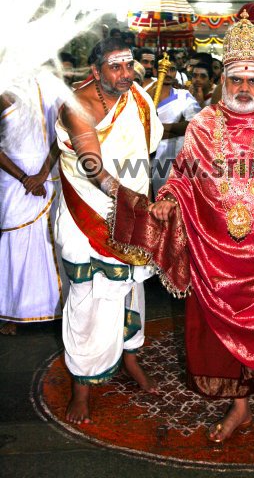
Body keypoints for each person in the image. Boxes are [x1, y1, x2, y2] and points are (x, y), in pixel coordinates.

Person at [108, 12, 254, 443]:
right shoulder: (203, 125)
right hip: (217, 252)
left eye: (253, 81)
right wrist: (169, 198)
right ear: (224, 79)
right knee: (224, 336)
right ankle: (239, 406)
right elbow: (182, 176)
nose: (244, 88)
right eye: (236, 79)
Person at [55, 37, 163, 424]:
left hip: (132, 209)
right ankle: (81, 385)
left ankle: (129, 357)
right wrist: (126, 197)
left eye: (129, 65)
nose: (125, 74)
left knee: (130, 286)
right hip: (88, 212)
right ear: (95, 70)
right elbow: (91, 165)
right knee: (87, 297)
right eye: (115, 67)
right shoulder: (77, 104)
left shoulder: (137, 99)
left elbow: (148, 146)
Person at [0, 78, 67, 335]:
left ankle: (59, 308)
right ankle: (16, 313)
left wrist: (41, 175)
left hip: (49, 173)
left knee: (52, 240)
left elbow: (63, 134)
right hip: (14, 179)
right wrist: (24, 178)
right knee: (16, 239)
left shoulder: (52, 90)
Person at [152, 61, 201, 196]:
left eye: (172, 69)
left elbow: (194, 124)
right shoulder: (144, 94)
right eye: (163, 69)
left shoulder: (183, 96)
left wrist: (157, 129)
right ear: (155, 71)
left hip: (170, 155)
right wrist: (174, 129)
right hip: (144, 155)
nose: (168, 73)